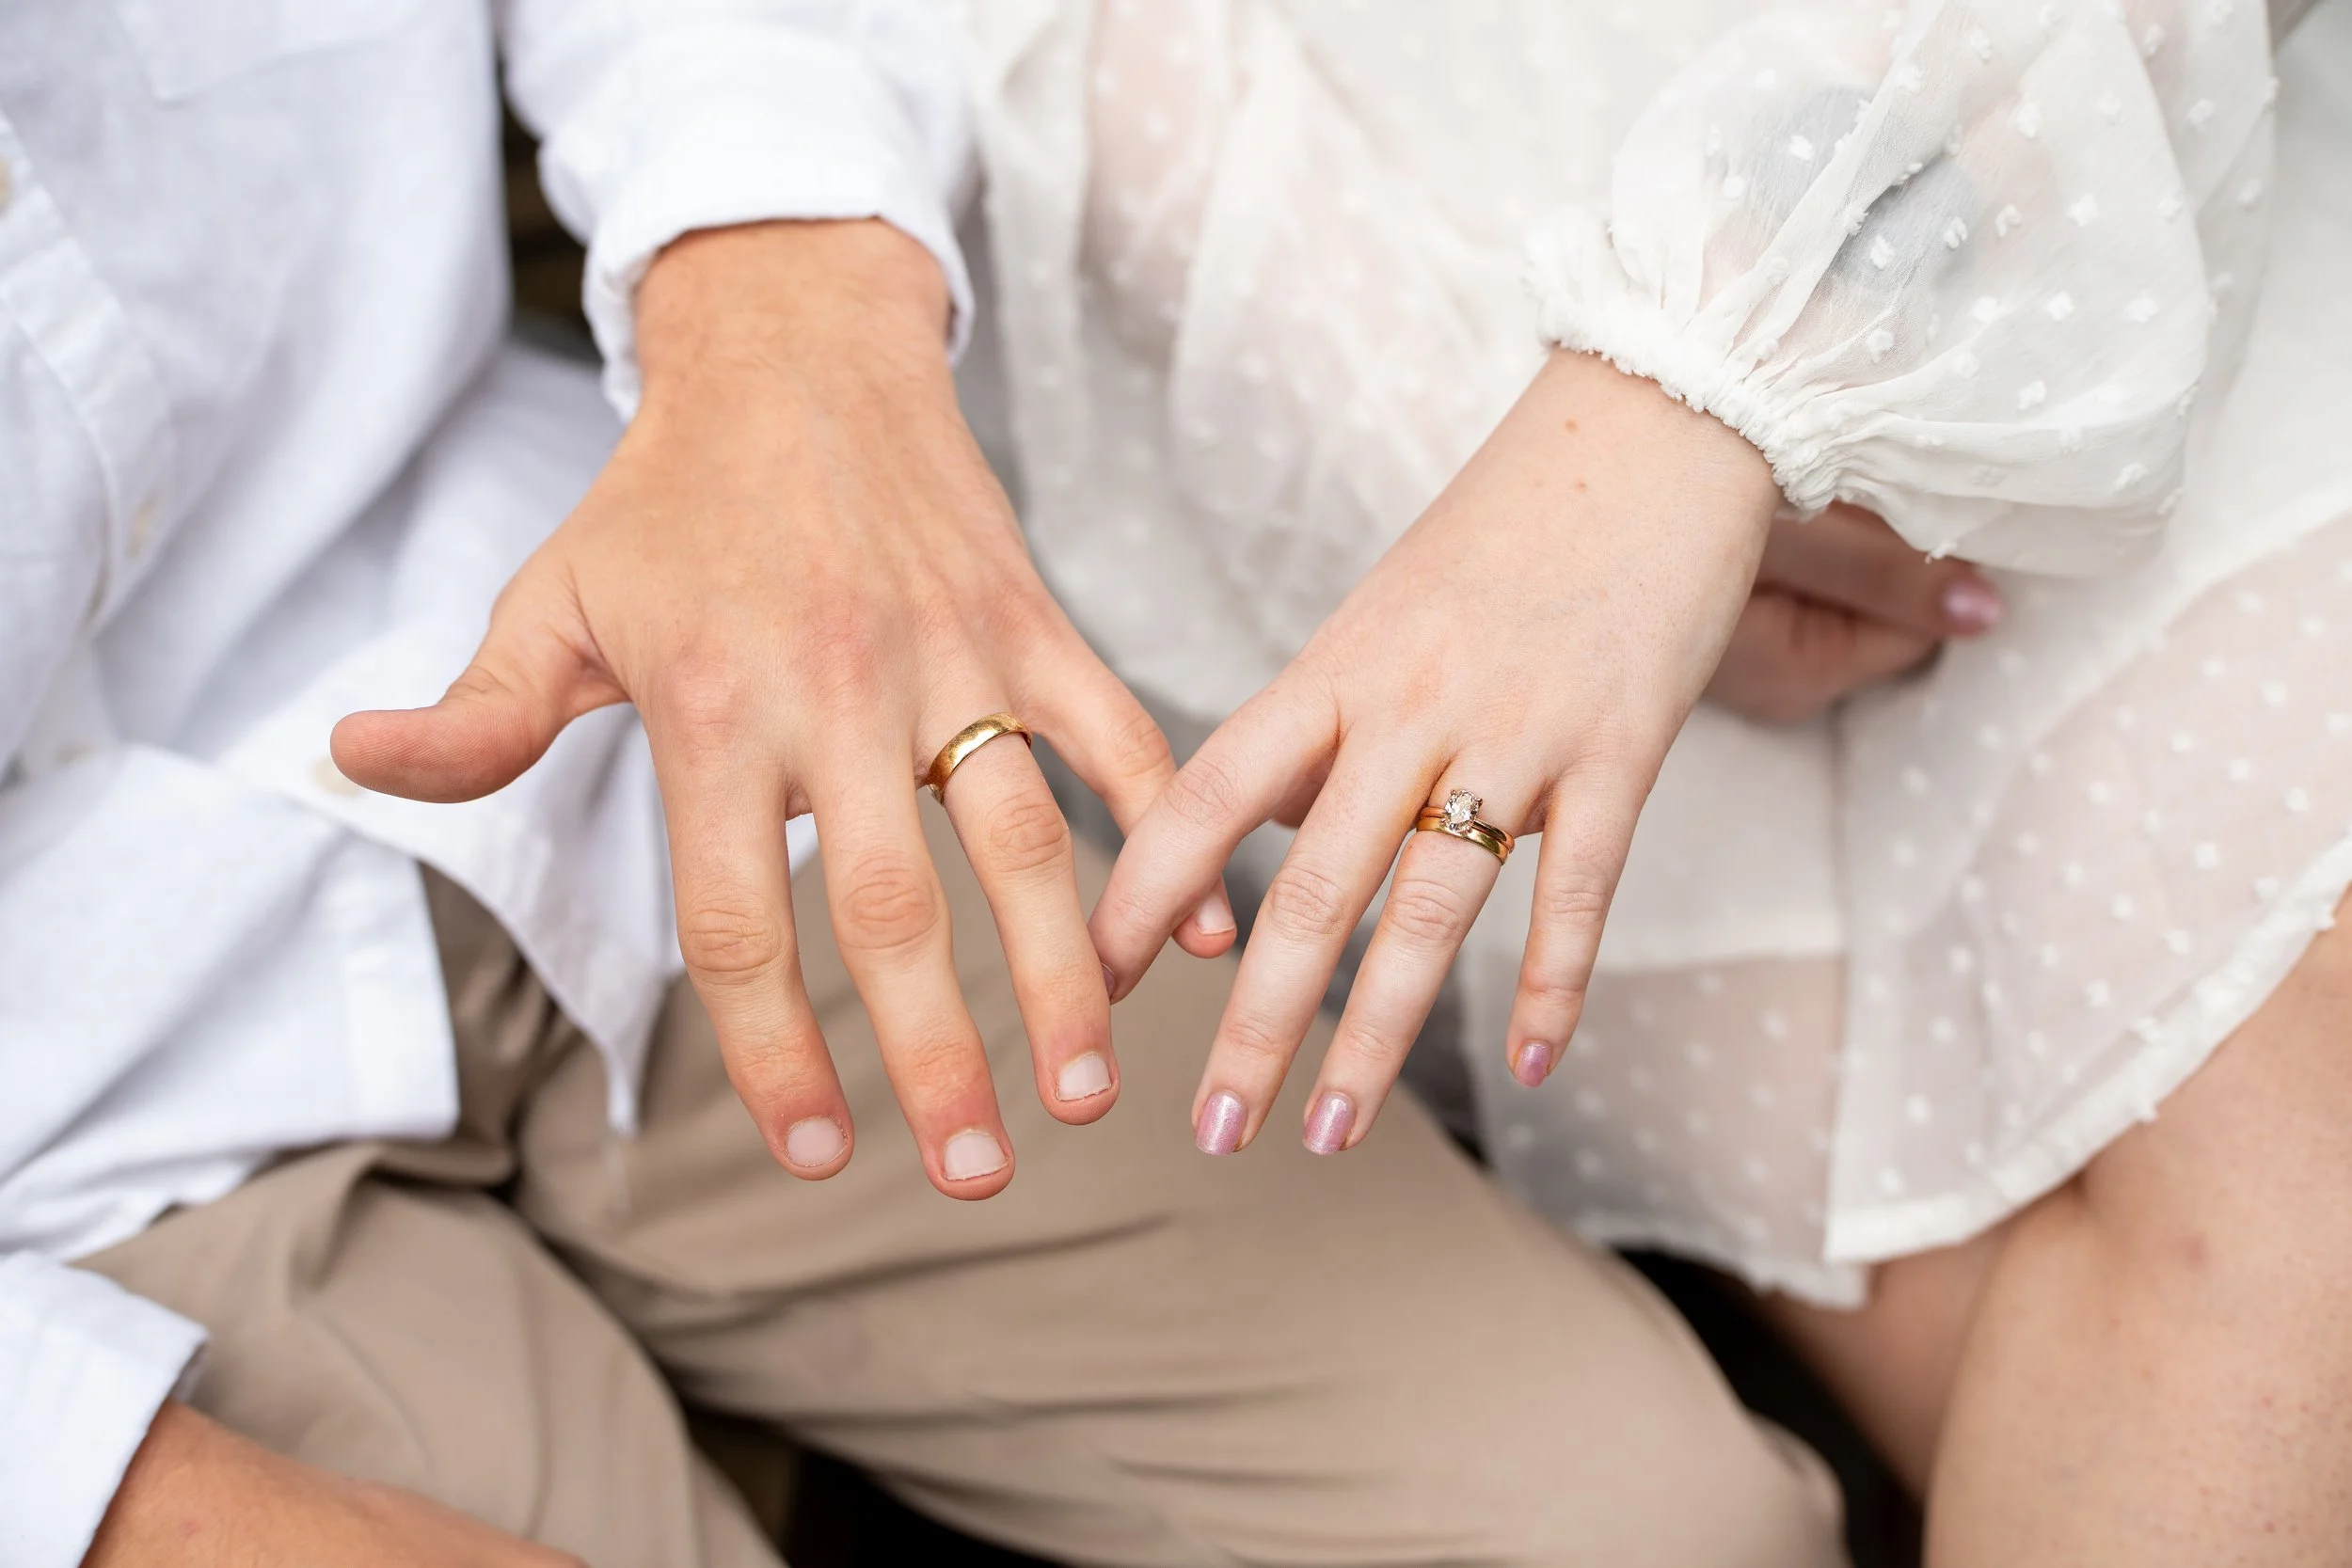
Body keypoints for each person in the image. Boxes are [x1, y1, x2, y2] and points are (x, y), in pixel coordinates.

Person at [0, 4, 1916, 1564]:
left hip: (612, 683)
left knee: (1655, 1529)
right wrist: (120, 1497)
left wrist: (774, 294)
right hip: (69, 1171)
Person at [952, 0, 2352, 1558]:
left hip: (2080, 152)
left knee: (2292, 1109)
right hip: (1342, 365)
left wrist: (1697, 371)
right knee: (1985, 1250)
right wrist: (1541, 491)